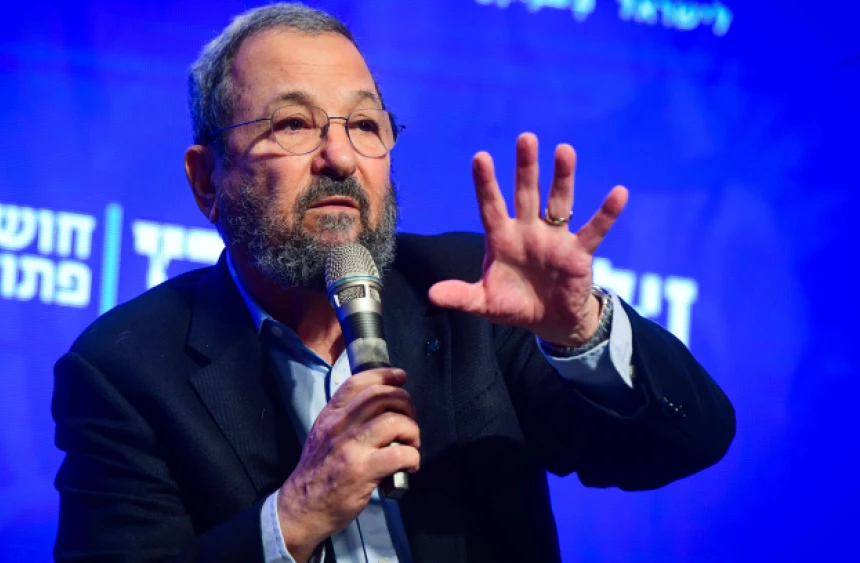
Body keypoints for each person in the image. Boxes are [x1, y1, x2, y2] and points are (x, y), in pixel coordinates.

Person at [52, 3, 735, 562]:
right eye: (293, 124)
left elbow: (688, 442)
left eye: (365, 124)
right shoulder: (126, 370)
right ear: (207, 181)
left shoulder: (468, 290)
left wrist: (581, 328)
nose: (341, 155)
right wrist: (293, 515)